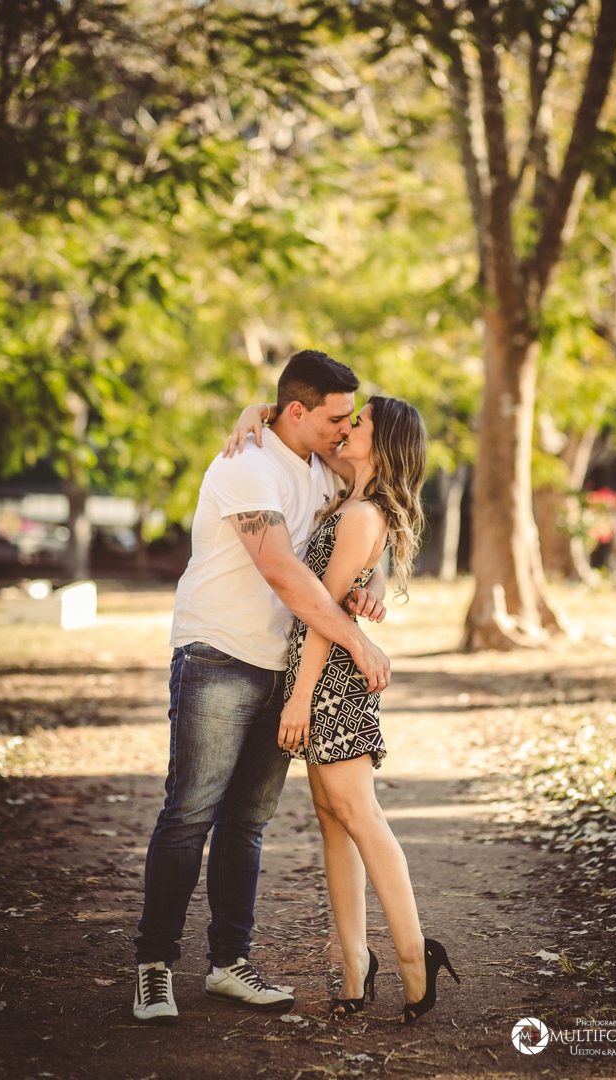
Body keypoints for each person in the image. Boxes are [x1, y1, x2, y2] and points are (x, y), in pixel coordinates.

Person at [133, 351, 391, 1024]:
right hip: (218, 655)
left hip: (281, 665)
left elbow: (373, 490)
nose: (345, 429)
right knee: (189, 813)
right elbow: (278, 567)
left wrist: (379, 574)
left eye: (349, 419)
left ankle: (228, 965)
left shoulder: (314, 460)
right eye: (336, 417)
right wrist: (356, 638)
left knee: (247, 824)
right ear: (298, 412)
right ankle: (154, 966)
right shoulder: (244, 465)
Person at [230, 394, 459, 1024]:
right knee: (334, 820)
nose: (346, 428)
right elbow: (307, 440)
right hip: (320, 675)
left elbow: (326, 616)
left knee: (360, 815)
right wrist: (256, 411)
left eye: (359, 424)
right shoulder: (349, 496)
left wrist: (300, 698)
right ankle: (355, 964)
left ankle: (415, 957)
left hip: (329, 681)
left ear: (383, 445)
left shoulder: (361, 512)